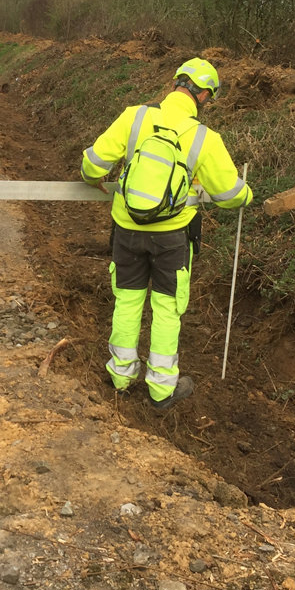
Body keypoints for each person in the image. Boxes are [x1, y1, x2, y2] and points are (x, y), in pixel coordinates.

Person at [79, 57, 252, 411]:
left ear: (175, 83)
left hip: (126, 230)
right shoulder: (204, 138)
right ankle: (160, 390)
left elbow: (92, 164)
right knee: (167, 308)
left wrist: (93, 178)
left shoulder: (135, 116)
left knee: (127, 300)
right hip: (172, 238)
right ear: (205, 96)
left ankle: (121, 377)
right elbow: (230, 195)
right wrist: (247, 193)